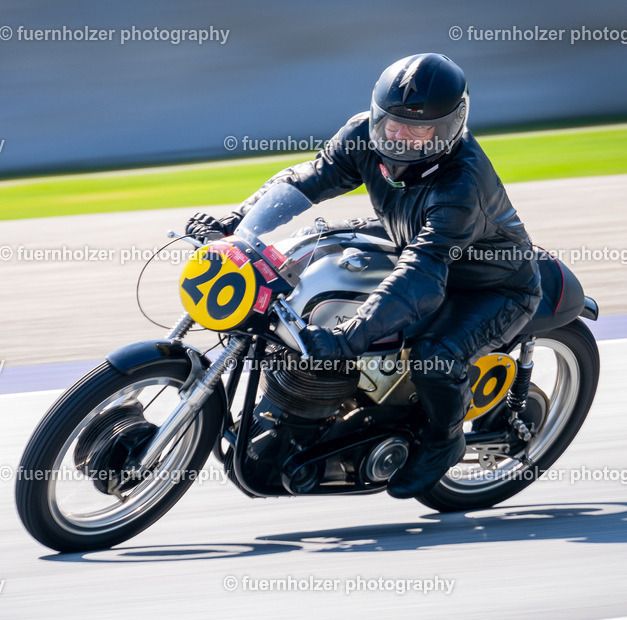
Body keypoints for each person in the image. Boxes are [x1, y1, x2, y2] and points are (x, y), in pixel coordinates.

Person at [184, 53, 542, 499]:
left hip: (491, 283)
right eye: (391, 121)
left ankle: (444, 443)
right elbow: (308, 180)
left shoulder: (460, 184)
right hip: (409, 239)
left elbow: (423, 273)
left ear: (449, 127)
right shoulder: (363, 135)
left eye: (418, 127)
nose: (399, 134)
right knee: (316, 250)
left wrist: (347, 338)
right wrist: (237, 225)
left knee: (435, 357)